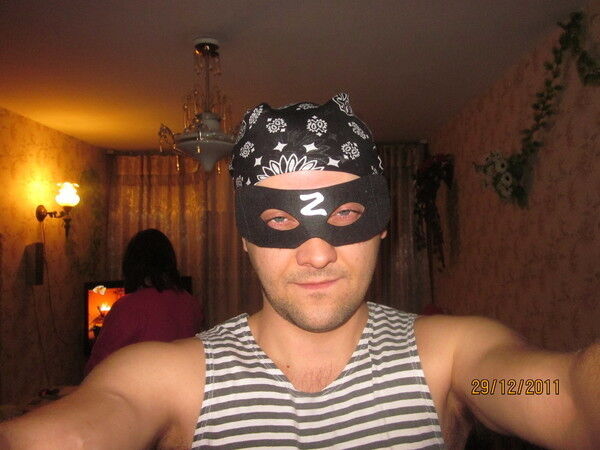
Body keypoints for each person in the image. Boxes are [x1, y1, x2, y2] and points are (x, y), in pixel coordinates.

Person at [0, 94, 598, 449]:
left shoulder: (450, 363)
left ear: (382, 224)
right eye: (280, 222)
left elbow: (557, 394)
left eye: (345, 214)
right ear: (244, 236)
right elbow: (78, 431)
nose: (316, 254)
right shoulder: (170, 379)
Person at [84, 228, 203, 375]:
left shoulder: (127, 307)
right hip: (181, 385)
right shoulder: (191, 303)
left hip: (139, 388)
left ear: (132, 264)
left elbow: (96, 369)